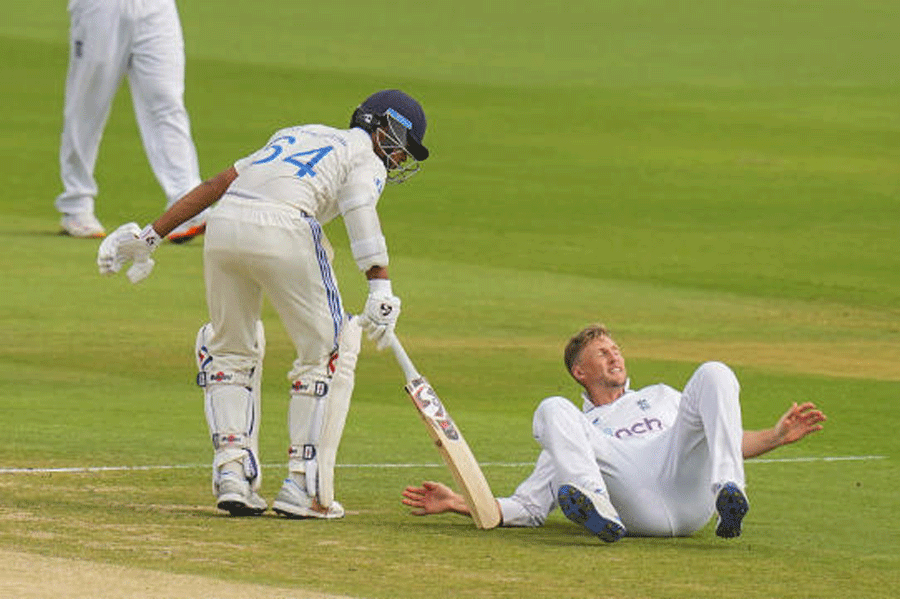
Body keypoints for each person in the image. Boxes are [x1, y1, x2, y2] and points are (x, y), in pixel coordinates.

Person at [97, 89, 431, 518]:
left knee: (228, 349)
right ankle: (302, 485)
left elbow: (217, 186)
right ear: (378, 125)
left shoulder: (296, 132)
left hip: (224, 227)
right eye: (401, 146)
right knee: (329, 349)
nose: (400, 158)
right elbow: (360, 207)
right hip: (286, 226)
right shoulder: (364, 156)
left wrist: (150, 237)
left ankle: (232, 473)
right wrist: (379, 285)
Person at [402, 323, 826, 541]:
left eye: (616, 349)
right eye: (601, 352)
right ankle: (597, 511)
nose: (614, 355)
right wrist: (462, 502)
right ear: (580, 371)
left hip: (691, 492)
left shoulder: (662, 395)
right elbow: (530, 507)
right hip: (632, 502)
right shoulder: (578, 429)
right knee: (551, 408)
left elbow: (715, 439)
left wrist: (773, 436)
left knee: (714, 373)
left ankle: (730, 491)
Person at [56, 0, 205, 242]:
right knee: (87, 106)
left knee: (166, 100)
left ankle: (185, 204)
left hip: (157, 8)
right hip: (100, 8)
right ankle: (76, 204)